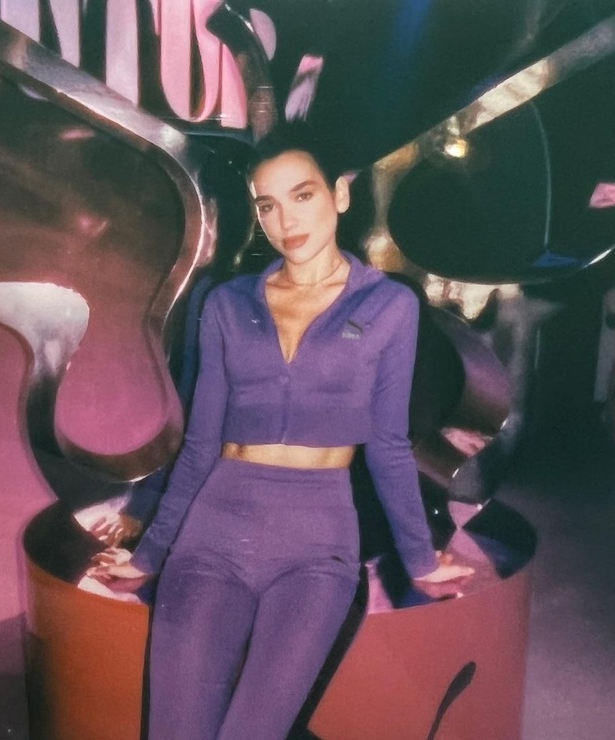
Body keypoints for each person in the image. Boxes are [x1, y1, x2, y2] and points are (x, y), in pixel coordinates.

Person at [88, 122, 474, 739]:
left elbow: (389, 446)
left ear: (339, 194)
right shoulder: (227, 304)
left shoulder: (388, 306)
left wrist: (419, 559)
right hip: (214, 533)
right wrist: (151, 552)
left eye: (303, 195)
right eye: (267, 204)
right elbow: (199, 445)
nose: (285, 220)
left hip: (318, 546)